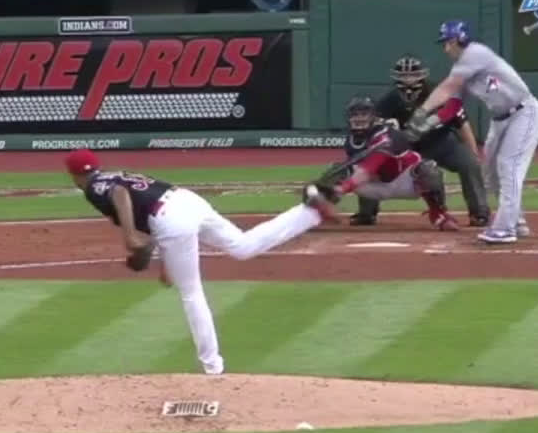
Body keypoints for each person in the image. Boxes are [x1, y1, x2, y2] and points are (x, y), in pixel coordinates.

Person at [64, 148, 335, 375]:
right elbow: (141, 206)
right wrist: (165, 261)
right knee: (242, 246)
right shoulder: (114, 174)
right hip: (187, 201)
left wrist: (129, 236)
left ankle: (213, 367)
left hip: (170, 218)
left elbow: (120, 194)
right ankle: (309, 212)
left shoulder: (93, 187)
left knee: (191, 293)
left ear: (74, 175)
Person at [405, 20, 538, 244]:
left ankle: (505, 228)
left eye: (448, 42)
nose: (446, 48)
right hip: (500, 120)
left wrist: (422, 111)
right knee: (491, 171)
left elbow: (448, 87)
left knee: (509, 166)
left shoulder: (475, 53)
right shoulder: (463, 67)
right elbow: (452, 106)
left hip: (524, 113)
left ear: (459, 40)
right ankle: (516, 221)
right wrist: (428, 123)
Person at [347, 54, 490, 227]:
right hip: (408, 146)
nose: (408, 79)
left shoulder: (440, 95)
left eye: (413, 75)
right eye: (404, 75)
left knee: (469, 163)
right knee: (372, 161)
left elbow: (462, 123)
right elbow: (376, 128)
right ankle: (367, 213)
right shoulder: (390, 99)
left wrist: (473, 152)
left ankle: (479, 212)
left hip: (442, 142)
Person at [322, 95, 460, 231]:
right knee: (336, 172)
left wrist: (342, 189)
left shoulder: (385, 136)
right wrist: (324, 190)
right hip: (375, 184)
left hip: (404, 182)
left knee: (429, 170)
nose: (359, 118)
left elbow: (368, 170)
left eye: (364, 114)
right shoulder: (352, 141)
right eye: (355, 114)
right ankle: (318, 213)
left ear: (373, 117)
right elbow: (362, 172)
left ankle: (438, 214)